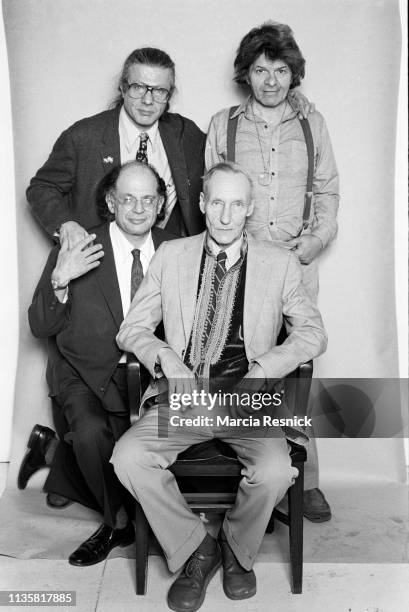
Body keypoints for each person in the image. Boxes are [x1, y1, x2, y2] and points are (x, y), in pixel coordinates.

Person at [111, 162, 327, 611]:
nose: (226, 216)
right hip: (185, 401)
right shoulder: (172, 257)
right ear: (203, 205)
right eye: (217, 203)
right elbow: (131, 329)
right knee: (128, 458)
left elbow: (312, 334)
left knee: (272, 471)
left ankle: (235, 546)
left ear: (249, 209)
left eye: (237, 204)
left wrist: (267, 365)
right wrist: (166, 356)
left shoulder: (279, 263)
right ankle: (196, 548)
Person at [205, 21, 340, 522]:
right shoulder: (225, 123)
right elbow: (214, 197)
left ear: (293, 73)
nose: (271, 81)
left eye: (280, 70)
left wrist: (313, 243)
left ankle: (304, 481)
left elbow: (328, 193)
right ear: (247, 73)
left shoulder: (313, 122)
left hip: (298, 263)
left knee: (298, 370)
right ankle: (254, 470)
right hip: (242, 266)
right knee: (243, 361)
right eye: (261, 70)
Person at [23, 161, 176, 566]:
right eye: (128, 199)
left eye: (148, 199)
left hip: (150, 380)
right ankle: (118, 523)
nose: (139, 209)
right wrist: (61, 279)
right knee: (92, 434)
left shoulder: (177, 248)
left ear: (161, 203)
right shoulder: (77, 245)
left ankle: (54, 454)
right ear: (111, 201)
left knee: (149, 452)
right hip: (84, 374)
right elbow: (40, 326)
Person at [27, 47, 206, 248]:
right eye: (138, 87)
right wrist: (65, 225)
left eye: (159, 91)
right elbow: (41, 188)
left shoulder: (185, 134)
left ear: (169, 95)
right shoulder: (83, 136)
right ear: (123, 87)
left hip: (165, 260)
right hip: (100, 262)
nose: (148, 100)